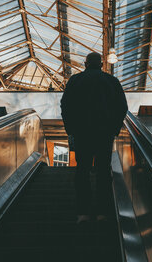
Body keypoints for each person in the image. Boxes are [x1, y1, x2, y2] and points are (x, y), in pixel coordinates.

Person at [60, 52, 128, 223]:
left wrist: (71, 130)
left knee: (82, 170)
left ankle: (83, 212)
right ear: (102, 64)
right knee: (103, 171)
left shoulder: (75, 80)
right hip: (104, 134)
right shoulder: (111, 81)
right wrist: (114, 129)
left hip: (82, 133)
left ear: (85, 63)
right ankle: (103, 212)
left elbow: (65, 105)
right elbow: (122, 106)